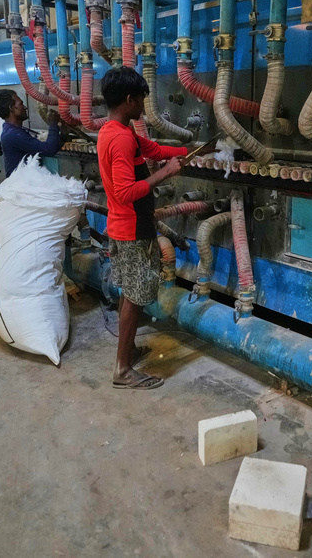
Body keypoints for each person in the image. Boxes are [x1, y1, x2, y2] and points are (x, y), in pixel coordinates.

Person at [98, 67, 209, 389]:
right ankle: (122, 371)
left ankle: (128, 351)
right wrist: (165, 174)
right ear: (129, 99)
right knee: (135, 298)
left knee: (129, 292)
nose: (144, 107)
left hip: (122, 226)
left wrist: (191, 153)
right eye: (141, 100)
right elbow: (124, 192)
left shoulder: (114, 130)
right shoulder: (120, 138)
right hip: (132, 228)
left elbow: (153, 150)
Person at [0, 89, 63, 177]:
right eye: (21, 104)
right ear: (12, 108)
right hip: (20, 183)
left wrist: (63, 136)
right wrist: (53, 124)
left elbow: (51, 148)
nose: (25, 107)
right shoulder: (14, 135)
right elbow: (49, 150)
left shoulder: (12, 131)